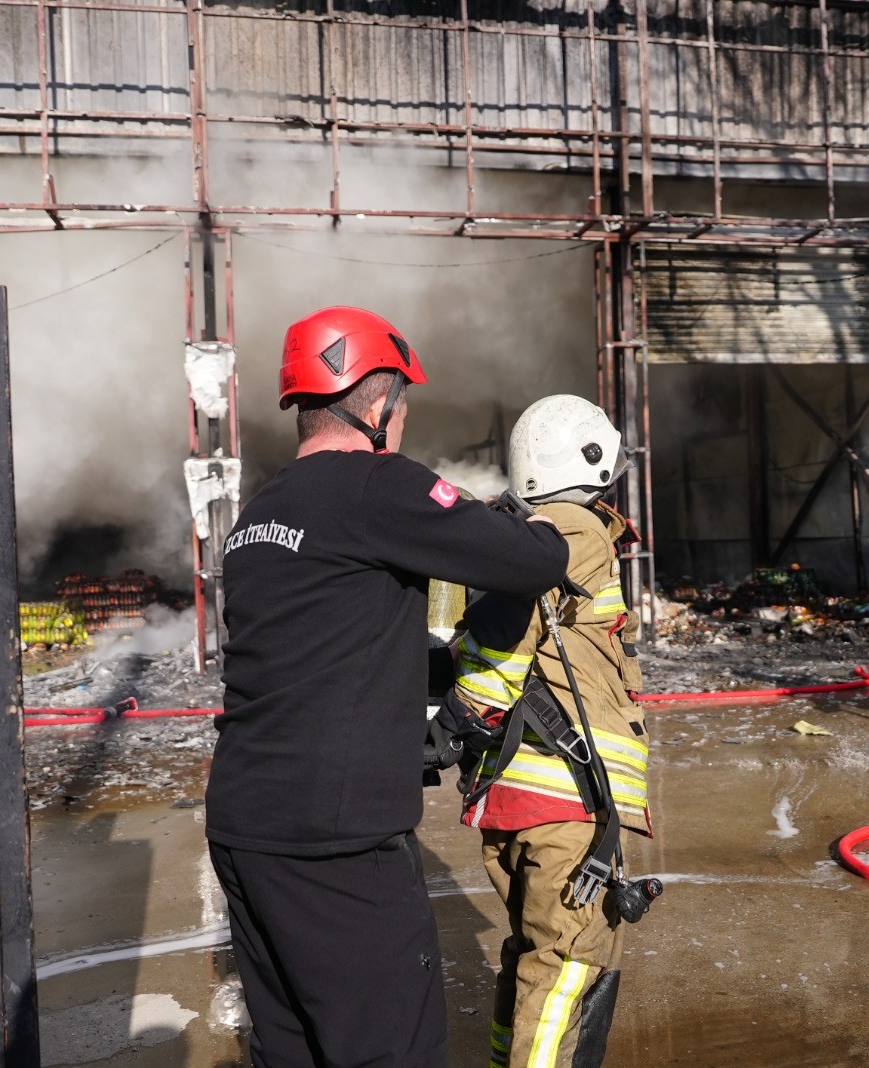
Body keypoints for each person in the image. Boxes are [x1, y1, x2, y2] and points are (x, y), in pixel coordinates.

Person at [205, 306, 571, 1068]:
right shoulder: (376, 487)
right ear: (378, 407)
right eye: (401, 408)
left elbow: (324, 648)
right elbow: (529, 561)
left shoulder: (261, 513)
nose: (401, 424)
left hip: (244, 826)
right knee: (388, 1050)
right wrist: (545, 524)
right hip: (336, 842)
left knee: (294, 1048)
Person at [435, 395, 653, 1068]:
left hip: (523, 797)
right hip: (563, 799)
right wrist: (463, 714)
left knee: (538, 960)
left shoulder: (526, 533)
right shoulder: (572, 528)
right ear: (588, 459)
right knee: (565, 967)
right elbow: (504, 640)